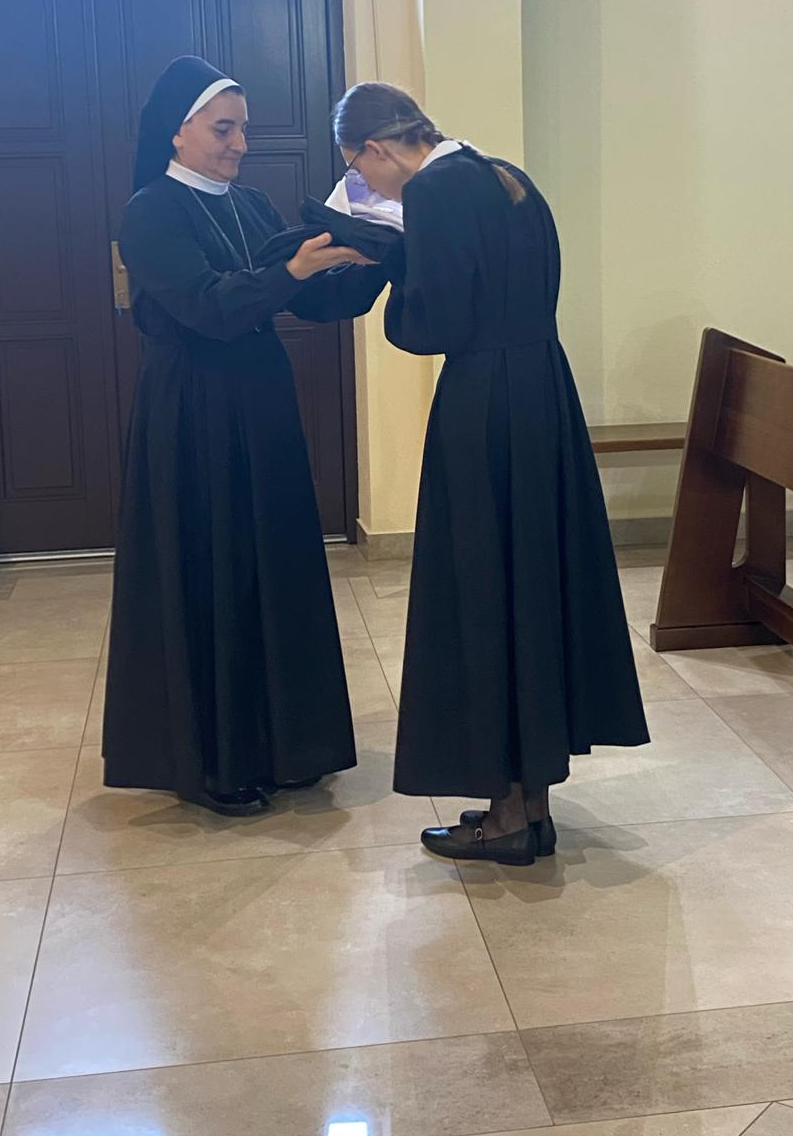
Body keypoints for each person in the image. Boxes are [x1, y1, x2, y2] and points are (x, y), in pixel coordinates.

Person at [333, 82, 649, 867]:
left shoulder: (435, 191)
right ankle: (529, 806)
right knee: (529, 589)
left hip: (484, 405)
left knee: (485, 590)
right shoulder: (508, 175)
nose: (367, 184)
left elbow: (433, 324)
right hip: (542, 389)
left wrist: (393, 274)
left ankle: (507, 819)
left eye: (359, 169)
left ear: (377, 147)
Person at [104, 56, 386, 816]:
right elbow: (209, 307)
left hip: (261, 403)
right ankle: (218, 762)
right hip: (192, 409)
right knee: (215, 568)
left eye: (242, 129)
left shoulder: (252, 204)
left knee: (274, 563)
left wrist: (374, 258)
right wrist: (293, 270)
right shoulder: (150, 211)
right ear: (177, 131)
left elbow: (313, 299)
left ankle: (290, 747)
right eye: (223, 129)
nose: (239, 144)